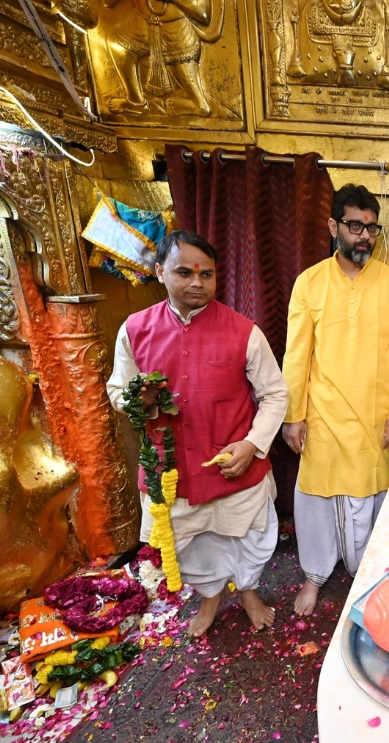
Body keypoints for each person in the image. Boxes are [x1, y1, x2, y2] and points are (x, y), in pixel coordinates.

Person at [106, 230, 288, 637]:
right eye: (184, 272)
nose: (196, 283)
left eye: (207, 274)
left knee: (251, 539)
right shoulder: (134, 329)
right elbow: (118, 389)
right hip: (173, 472)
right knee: (191, 548)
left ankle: (248, 592)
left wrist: (252, 444)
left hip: (233, 465)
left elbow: (275, 395)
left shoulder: (244, 332)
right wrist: (138, 401)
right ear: (160, 272)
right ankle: (209, 597)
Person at [283, 184, 389, 617]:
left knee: (369, 498)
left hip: (375, 415)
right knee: (317, 501)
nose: (364, 236)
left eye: (371, 228)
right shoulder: (310, 283)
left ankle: (365, 571)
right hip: (322, 413)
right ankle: (315, 575)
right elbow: (296, 354)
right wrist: (293, 415)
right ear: (333, 226)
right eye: (355, 226)